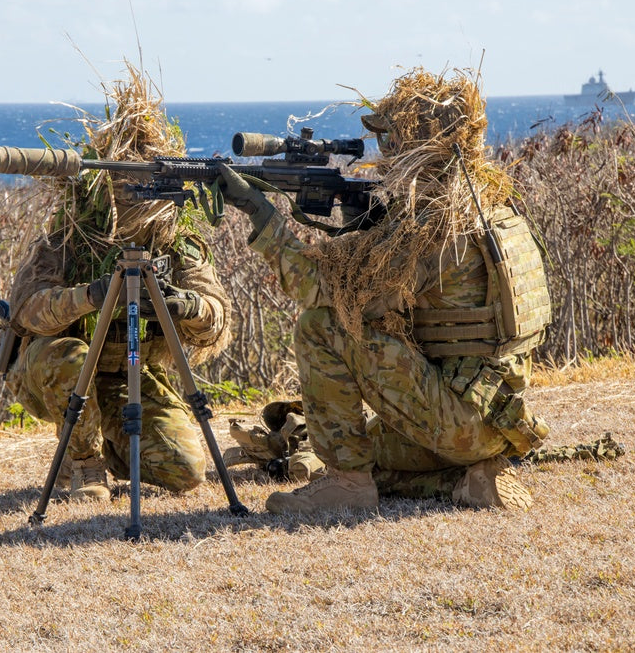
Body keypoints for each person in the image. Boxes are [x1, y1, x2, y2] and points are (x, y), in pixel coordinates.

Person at [215, 68, 552, 514]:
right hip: (497, 419)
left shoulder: (434, 229)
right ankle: (470, 478)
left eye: (393, 143)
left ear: (419, 146)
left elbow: (324, 292)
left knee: (321, 327)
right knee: (370, 452)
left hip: (457, 420)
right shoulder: (492, 211)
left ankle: (348, 487)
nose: (385, 154)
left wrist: (261, 215)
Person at [3, 70, 231, 501]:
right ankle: (84, 465)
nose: (134, 197)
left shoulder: (177, 247)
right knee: (70, 358)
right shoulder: (69, 237)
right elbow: (28, 312)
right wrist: (91, 295)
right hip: (53, 370)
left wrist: (183, 306)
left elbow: (217, 318)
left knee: (185, 470)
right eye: (124, 187)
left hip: (129, 372)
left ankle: (112, 446)